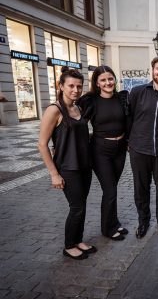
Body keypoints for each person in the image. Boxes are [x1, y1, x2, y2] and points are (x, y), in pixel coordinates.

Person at [38, 67, 95, 260]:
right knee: (76, 207)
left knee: (82, 205)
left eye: (79, 86)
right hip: (67, 167)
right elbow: (42, 144)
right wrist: (54, 174)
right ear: (61, 86)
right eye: (71, 85)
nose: (75, 90)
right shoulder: (54, 110)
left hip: (84, 166)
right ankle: (69, 245)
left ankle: (78, 240)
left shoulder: (77, 107)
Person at [77, 65, 130, 241]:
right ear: (97, 83)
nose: (108, 82)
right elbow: (75, 120)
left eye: (110, 78)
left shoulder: (122, 98)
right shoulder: (90, 101)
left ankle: (113, 222)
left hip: (120, 149)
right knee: (110, 190)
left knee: (112, 188)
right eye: (103, 80)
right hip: (100, 150)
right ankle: (108, 229)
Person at [128, 56, 158, 238]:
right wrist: (130, 142)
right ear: (153, 70)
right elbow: (130, 118)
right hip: (139, 149)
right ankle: (143, 221)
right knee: (141, 188)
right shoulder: (138, 92)